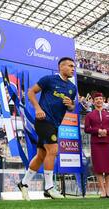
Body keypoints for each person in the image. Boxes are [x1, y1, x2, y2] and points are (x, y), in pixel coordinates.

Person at [18, 57, 77, 200]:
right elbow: (31, 92)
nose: (73, 68)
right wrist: (37, 108)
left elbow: (72, 107)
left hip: (56, 124)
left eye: (73, 66)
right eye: (70, 66)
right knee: (53, 150)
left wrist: (70, 105)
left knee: (41, 155)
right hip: (43, 121)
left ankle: (24, 183)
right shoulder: (49, 80)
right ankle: (49, 187)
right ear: (61, 67)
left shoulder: (72, 88)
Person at [84, 92, 109, 198]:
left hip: (108, 142)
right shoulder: (89, 115)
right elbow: (87, 129)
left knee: (108, 167)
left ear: (103, 101)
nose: (99, 101)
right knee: (98, 167)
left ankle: (108, 190)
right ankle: (102, 190)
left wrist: (106, 131)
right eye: (97, 99)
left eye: (100, 99)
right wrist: (97, 130)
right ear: (93, 102)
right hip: (96, 143)